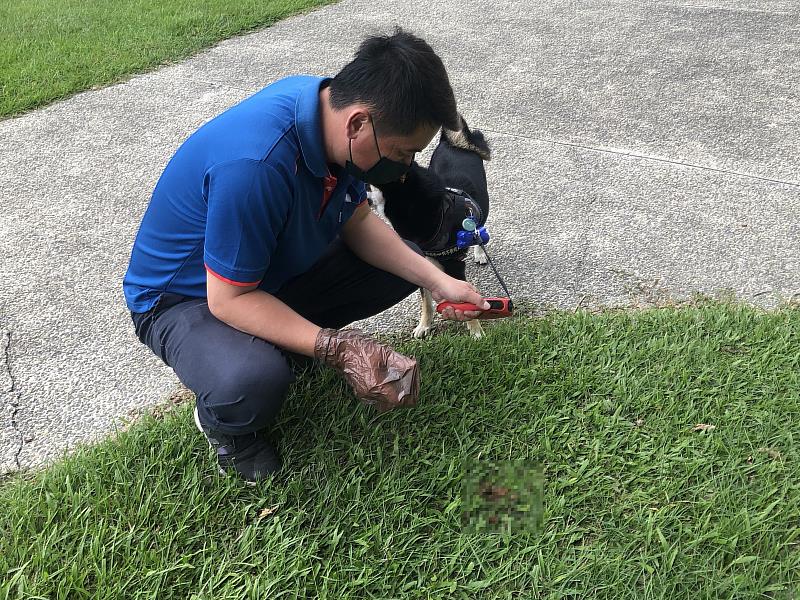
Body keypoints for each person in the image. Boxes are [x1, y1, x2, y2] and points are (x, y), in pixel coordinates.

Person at [123, 28, 490, 483]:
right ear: (358, 124)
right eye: (403, 154)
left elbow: (356, 220)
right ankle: (225, 425)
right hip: (184, 299)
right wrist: (339, 348)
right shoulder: (255, 165)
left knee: (405, 263)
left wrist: (441, 281)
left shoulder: (328, 112)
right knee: (251, 380)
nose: (405, 168)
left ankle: (280, 341)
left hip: (263, 274)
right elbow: (228, 300)